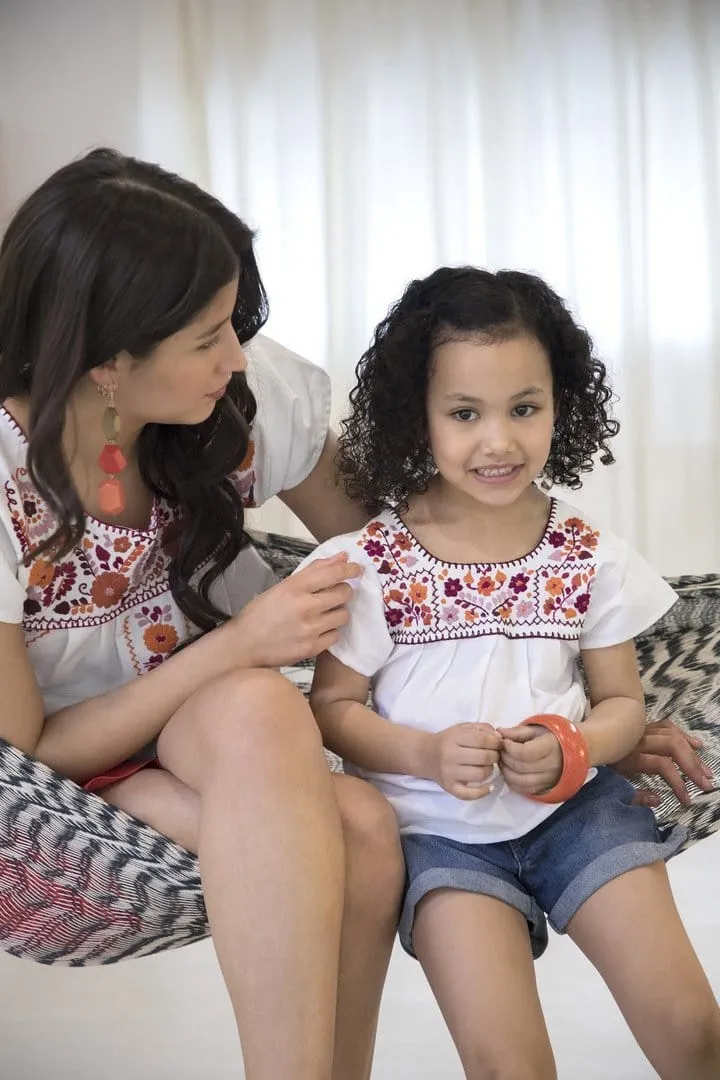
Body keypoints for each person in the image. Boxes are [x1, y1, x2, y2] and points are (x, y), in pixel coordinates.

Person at [0, 148, 406, 1080]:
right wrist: (241, 648)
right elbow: (26, 756)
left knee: (354, 809)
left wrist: (570, 664)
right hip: (61, 795)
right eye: (206, 338)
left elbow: (392, 550)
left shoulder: (231, 400)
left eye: (234, 324)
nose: (236, 357)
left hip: (221, 739)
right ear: (107, 360)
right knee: (338, 802)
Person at [306, 266, 720, 1079]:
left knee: (695, 1029)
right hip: (438, 839)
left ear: (560, 406)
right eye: (465, 413)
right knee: (510, 1067)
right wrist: (425, 755)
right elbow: (332, 707)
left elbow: (624, 705)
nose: (498, 441)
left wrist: (576, 744)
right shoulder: (369, 566)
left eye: (523, 409)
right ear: (415, 419)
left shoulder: (586, 554)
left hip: (580, 815)